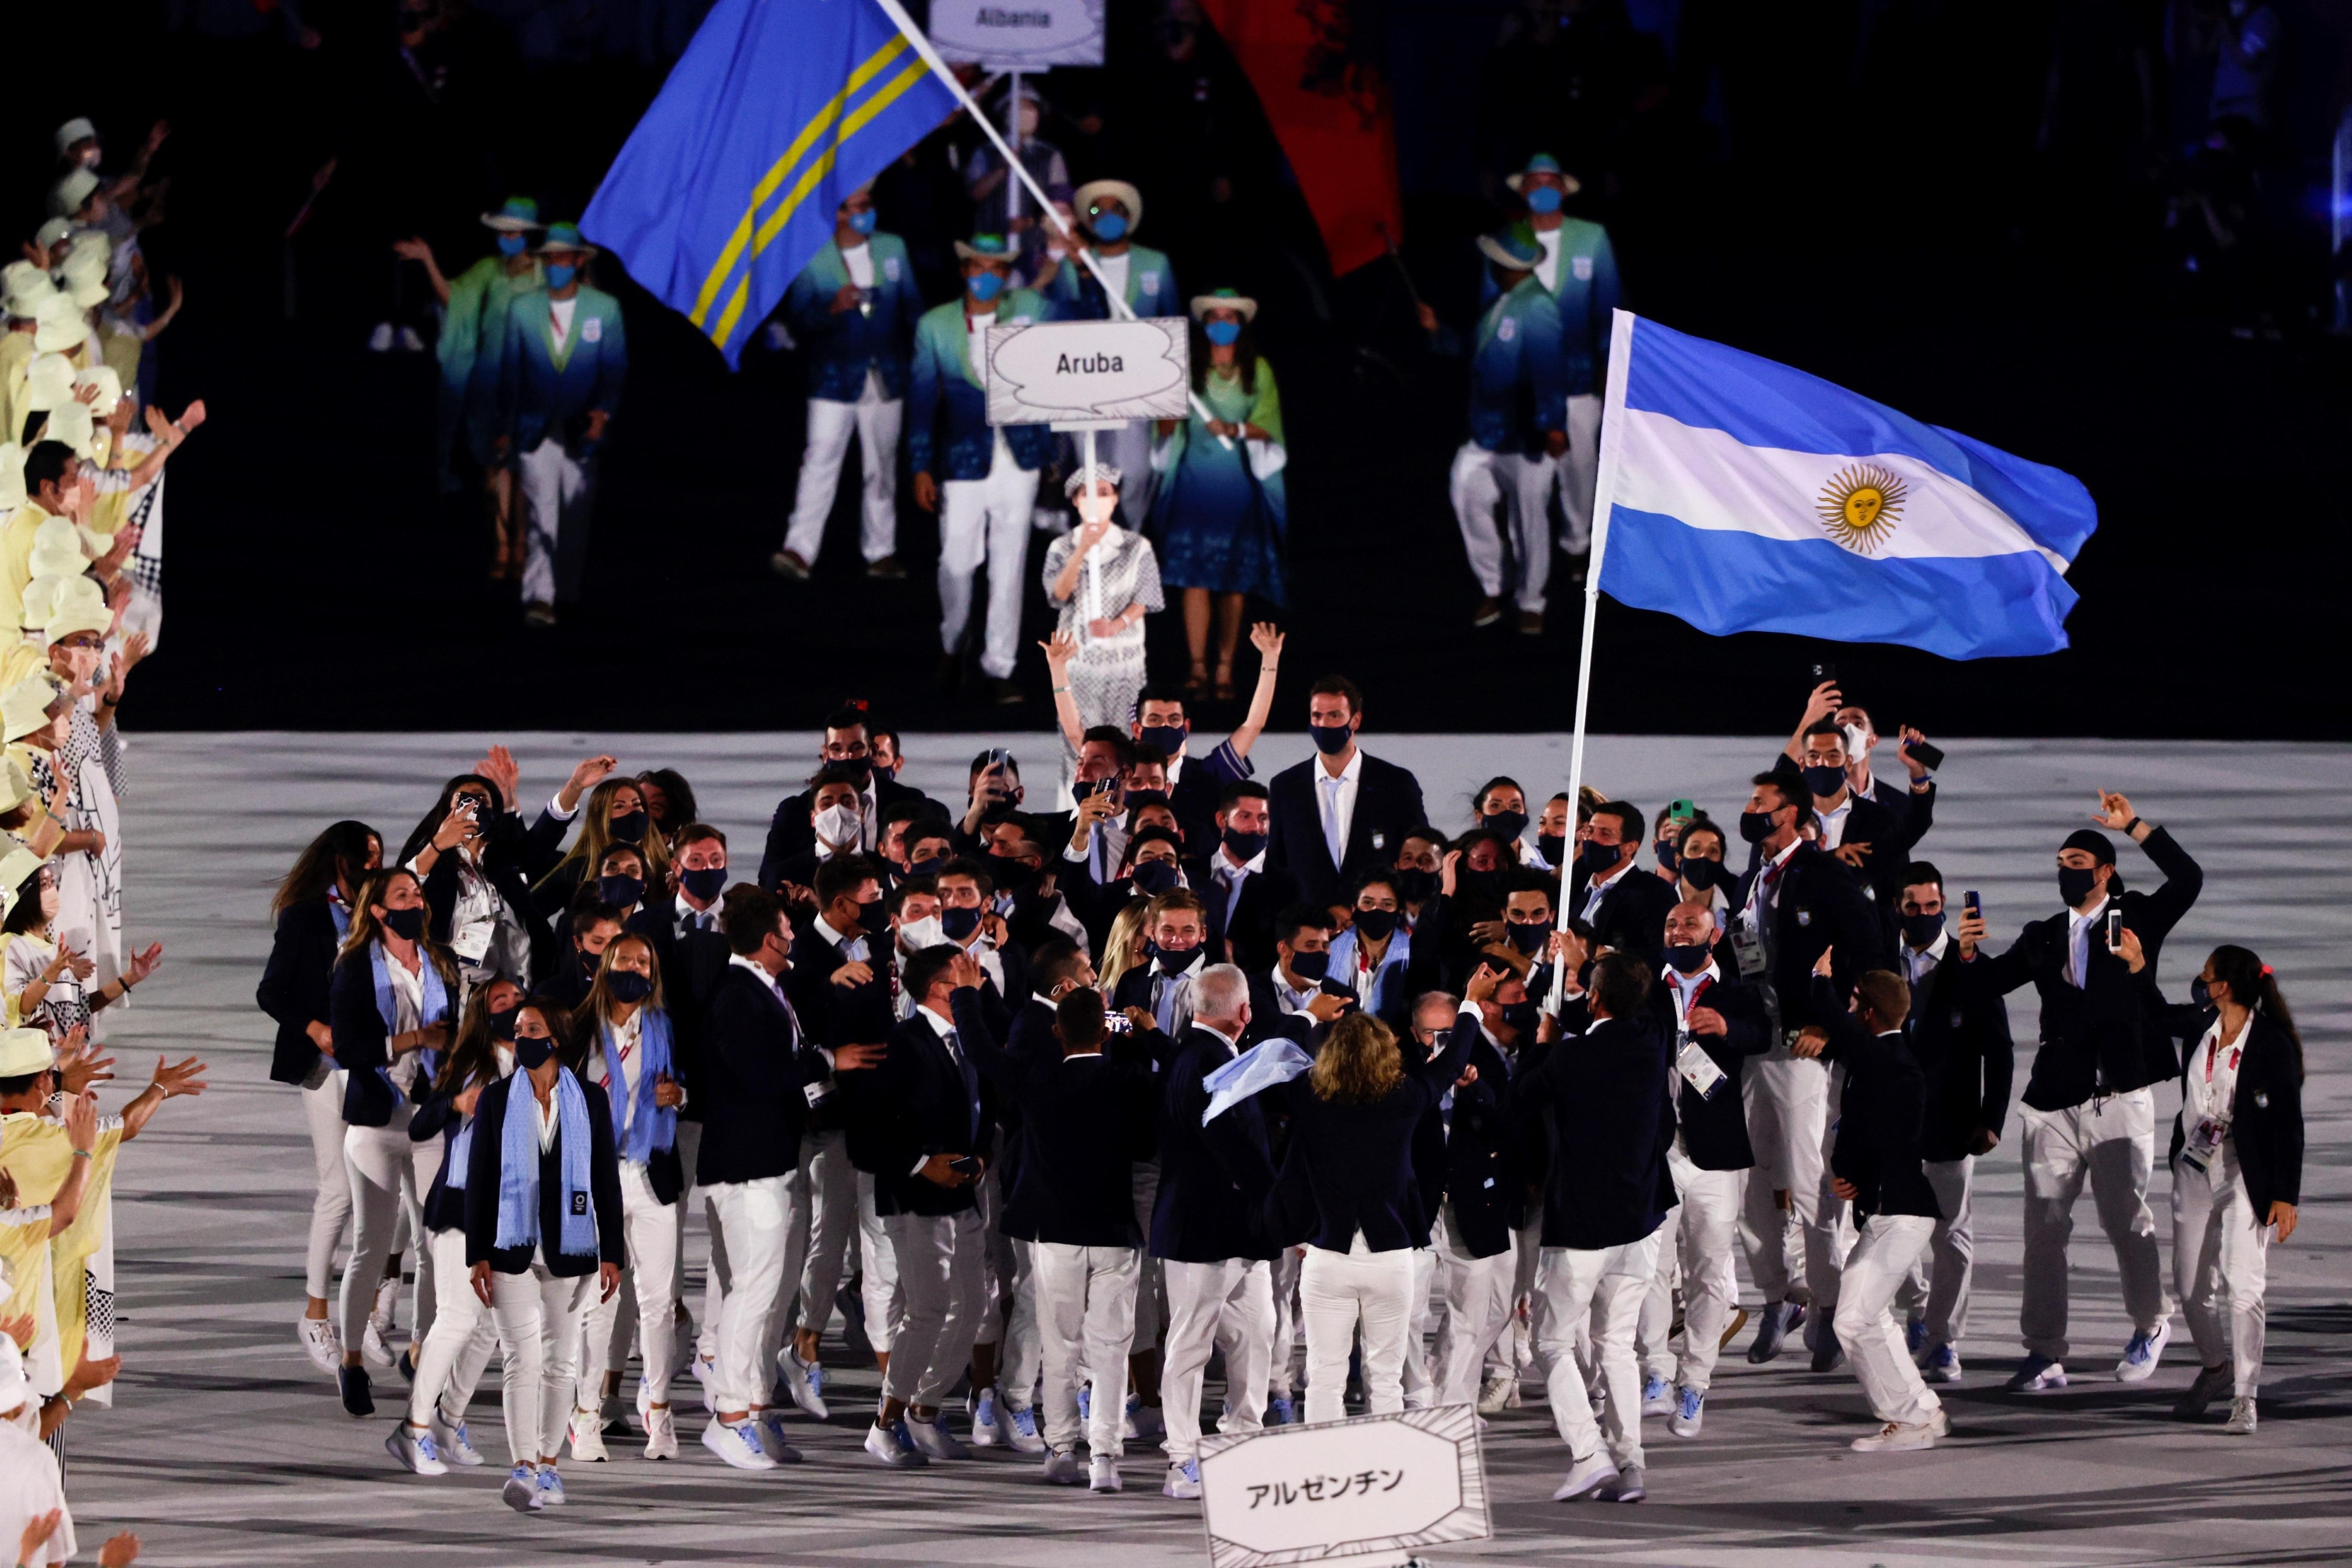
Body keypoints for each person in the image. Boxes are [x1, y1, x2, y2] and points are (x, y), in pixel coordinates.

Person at [1957, 791, 2201, 1392]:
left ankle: (2151, 1324)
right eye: (2061, 864)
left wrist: (2136, 826)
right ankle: (2044, 1352)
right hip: (2053, 1101)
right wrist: (1967, 952)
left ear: (2105, 873)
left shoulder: (2138, 916)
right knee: (2043, 1229)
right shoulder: (2042, 935)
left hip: (2118, 1094)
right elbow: (1988, 983)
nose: (2067, 873)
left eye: (2077, 864)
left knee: (2126, 1222)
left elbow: (2189, 878)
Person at [949, 958, 1160, 1489]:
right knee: (1110, 1349)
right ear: (1105, 1034)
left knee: (1060, 1346)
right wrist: (1137, 1031)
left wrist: (967, 996)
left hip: (1056, 1236)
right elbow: (1148, 1074)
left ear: (1056, 1031)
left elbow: (979, 1051)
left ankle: (1062, 1450)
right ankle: (1106, 1459)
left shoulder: (1038, 1076)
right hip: (1114, 1234)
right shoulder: (1130, 1080)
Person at [693, 886, 879, 1470]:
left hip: (770, 1162)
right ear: (769, 939)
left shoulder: (763, 989)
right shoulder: (736, 995)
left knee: (767, 1292)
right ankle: (728, 1417)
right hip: (747, 1168)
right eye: (786, 928)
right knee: (752, 1291)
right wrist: (827, 1061)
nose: (794, 935)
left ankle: (755, 1406)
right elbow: (759, 1076)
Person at [1268, 973, 1477, 1424]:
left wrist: (1308, 1014)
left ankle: (1327, 1483)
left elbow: (1275, 1052)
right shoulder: (1406, 1096)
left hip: (1328, 1257)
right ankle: (1385, 1480)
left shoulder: (1308, 1095)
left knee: (1325, 1376)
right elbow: (1453, 1059)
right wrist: (1471, 1006)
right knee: (1385, 1377)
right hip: (1391, 1259)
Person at [1730, 771, 1885, 1369]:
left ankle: (1826, 1305)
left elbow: (1868, 949)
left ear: (1792, 815)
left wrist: (1833, 1018)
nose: (1750, 811)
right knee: (1751, 1182)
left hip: (1801, 1050)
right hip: (1752, 1046)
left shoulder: (1823, 872)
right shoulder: (1754, 876)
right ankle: (1778, 1295)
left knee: (1809, 1184)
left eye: (1760, 803)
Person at [1509, 951, 1670, 1503]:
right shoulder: (1651, 1044)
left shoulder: (1571, 1058)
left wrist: (1544, 1041)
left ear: (1594, 998)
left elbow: (1521, 1096)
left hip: (1581, 1224)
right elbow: (1626, 1016)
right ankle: (1631, 1465)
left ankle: (1588, 1455)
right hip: (1640, 1220)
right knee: (1618, 1346)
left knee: (1553, 1342)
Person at [2134, 937, 2301, 1435]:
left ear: (2224, 986)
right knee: (2188, 1289)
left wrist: (2286, 1194)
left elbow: (2289, 1124)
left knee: (2243, 1286)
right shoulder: (2201, 1024)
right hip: (2193, 1171)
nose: (2201, 983)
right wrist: (2139, 969)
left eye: (2207, 977)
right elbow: (2154, 1015)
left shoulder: (2271, 1044)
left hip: (2244, 1175)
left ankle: (2244, 1396)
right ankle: (2214, 1367)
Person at [463, 996, 624, 1511]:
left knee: (561, 1364)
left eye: (532, 1028)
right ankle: (523, 1466)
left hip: (570, 1251)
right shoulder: (495, 1099)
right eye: (517, 1030)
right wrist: (476, 1253)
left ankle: (551, 1466)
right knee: (520, 1361)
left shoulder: (590, 1103)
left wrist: (611, 1253)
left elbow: (604, 1182)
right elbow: (480, 1183)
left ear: (555, 1038)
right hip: (509, 1251)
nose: (521, 1037)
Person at [846, 944, 998, 1468]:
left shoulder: (972, 1037)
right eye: (964, 969)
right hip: (913, 1200)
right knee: (928, 1310)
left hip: (964, 1198)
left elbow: (986, 1107)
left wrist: (980, 1158)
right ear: (938, 987)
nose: (977, 971)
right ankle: (885, 1421)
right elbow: (864, 1137)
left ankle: (925, 1410)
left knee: (975, 1308)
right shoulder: (902, 1044)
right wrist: (920, 1163)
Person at [1797, 970, 1947, 1452]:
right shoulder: (1882, 1060)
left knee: (1852, 1320)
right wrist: (1853, 1178)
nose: (1846, 1011)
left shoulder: (1889, 1060)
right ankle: (1923, 1408)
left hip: (1900, 1215)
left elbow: (1842, 1037)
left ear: (1868, 1013)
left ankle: (1907, 1420)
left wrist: (1821, 980)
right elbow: (1868, 1133)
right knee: (1872, 1314)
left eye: (1853, 1003)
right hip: (1887, 1212)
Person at [328, 867, 458, 1418]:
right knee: (372, 1246)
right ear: (378, 911)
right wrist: (412, 1040)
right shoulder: (355, 965)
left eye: (418, 894)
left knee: (436, 1246)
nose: (416, 902)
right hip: (377, 1123)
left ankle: (422, 1351)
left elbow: (455, 1030)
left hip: (429, 1119)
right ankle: (352, 1358)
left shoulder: (440, 962)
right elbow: (347, 1047)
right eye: (402, 896)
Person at [1150, 963, 1282, 1500]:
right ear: (1244, 1012)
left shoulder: (1205, 1057)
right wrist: (1281, 1202)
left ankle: (1242, 1439)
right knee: (1190, 1344)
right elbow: (1232, 1150)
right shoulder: (1201, 1061)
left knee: (1257, 1331)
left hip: (1236, 1233)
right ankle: (1183, 1459)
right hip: (1202, 1232)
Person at [254, 819, 381, 1373]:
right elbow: (271, 990)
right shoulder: (305, 916)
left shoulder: (380, 913)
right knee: (338, 1189)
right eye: (367, 858)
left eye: (381, 857)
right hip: (326, 1067)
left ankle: (371, 1314)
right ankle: (314, 1314)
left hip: (375, 1063)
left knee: (385, 1190)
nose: (376, 867)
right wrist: (314, 1028)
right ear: (342, 862)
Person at [908, 233, 1054, 705]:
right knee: (955, 562)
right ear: (965, 271)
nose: (988, 276)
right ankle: (954, 643)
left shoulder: (1028, 310)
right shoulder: (937, 324)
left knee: (1009, 565)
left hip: (1020, 457)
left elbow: (1062, 360)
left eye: (997, 268)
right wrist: (920, 466)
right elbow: (923, 400)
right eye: (979, 267)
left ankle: (999, 666)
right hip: (963, 459)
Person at [384, 978, 519, 1478]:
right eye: (499, 1002)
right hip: (460, 1207)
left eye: (516, 1000)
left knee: (489, 1326)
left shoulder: (535, 1069)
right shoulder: (469, 1066)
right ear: (483, 1016)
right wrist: (457, 1105)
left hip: (509, 1214)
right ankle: (413, 1430)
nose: (511, 1007)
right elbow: (420, 1129)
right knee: (457, 1320)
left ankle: (448, 1419)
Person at [1644, 901, 1769, 1435]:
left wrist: (1726, 1027)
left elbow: (1762, 1034)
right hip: (1657, 1149)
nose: (1679, 932)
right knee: (1650, 1265)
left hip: (1715, 1154)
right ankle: (1654, 1371)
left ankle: (1695, 1384)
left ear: (1714, 935)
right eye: (1671, 924)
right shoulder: (1646, 988)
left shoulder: (1738, 990)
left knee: (1709, 1271)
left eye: (1689, 925)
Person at [1890, 863, 2013, 1385]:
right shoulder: (1878, 964)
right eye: (1912, 906)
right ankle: (1918, 1307)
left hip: (1950, 1121)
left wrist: (1992, 1119)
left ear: (1947, 909)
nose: (1921, 915)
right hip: (1891, 1121)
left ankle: (1944, 1341)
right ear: (1899, 907)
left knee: (1952, 1238)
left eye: (1931, 907)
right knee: (1879, 1228)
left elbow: (2000, 1049)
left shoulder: (1971, 970)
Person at [569, 933, 688, 1461]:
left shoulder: (663, 1026)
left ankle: (658, 1407)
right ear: (604, 964)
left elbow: (682, 1085)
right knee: (600, 1302)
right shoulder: (577, 1028)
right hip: (597, 1180)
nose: (634, 968)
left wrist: (679, 1096)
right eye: (625, 959)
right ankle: (585, 1413)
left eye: (644, 960)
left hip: (651, 1174)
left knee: (660, 1303)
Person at [774, 185, 924, 583]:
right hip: (834, 376)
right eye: (858, 207)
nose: (866, 214)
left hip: (886, 375)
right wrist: (832, 308)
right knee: (820, 457)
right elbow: (800, 320)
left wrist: (922, 363)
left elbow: (913, 309)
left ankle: (881, 551)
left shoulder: (892, 248)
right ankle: (800, 549)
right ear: (839, 214)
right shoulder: (815, 256)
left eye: (869, 205)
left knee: (882, 465)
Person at [1426, 223, 1565, 634]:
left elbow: (1548, 369)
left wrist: (1553, 425)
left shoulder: (1537, 306)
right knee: (1467, 492)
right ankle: (1495, 584)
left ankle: (1532, 602)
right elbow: (1474, 352)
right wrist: (1438, 333)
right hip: (1485, 434)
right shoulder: (1499, 303)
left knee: (1529, 521)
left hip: (1526, 439)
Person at [1150, 289, 1286, 696]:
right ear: (1204, 323)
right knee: (1195, 578)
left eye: (1231, 317)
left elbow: (1270, 424)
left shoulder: (1257, 369)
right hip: (1194, 487)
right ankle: (1198, 669)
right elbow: (1163, 431)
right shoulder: (1186, 369)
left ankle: (1225, 668)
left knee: (1233, 583)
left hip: (1237, 489)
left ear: (1240, 325)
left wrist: (1236, 430)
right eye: (1215, 317)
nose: (1222, 324)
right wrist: (1169, 417)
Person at [389, 196, 543, 543]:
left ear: (527, 233)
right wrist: (428, 261)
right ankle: (499, 544)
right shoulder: (489, 269)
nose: (506, 237)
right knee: (493, 463)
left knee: (524, 469)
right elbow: (454, 299)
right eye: (501, 231)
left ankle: (521, 544)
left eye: (513, 231)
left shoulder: (546, 273)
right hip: (490, 380)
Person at [495, 223, 626, 629]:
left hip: (582, 429)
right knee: (542, 512)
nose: (556, 265)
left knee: (575, 513)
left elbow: (614, 370)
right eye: (549, 258)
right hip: (536, 426)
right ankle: (539, 597)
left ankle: (565, 589)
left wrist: (603, 414)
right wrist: (505, 426)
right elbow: (511, 372)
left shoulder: (604, 309)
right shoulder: (523, 310)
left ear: (579, 261)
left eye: (563, 258)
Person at [1503, 153, 1618, 572]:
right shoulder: (1508, 239)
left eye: (1552, 181)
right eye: (1535, 182)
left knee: (1580, 468)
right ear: (1523, 191)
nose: (1544, 189)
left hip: (1579, 381)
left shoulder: (1591, 239)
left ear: (1565, 190)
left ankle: (1577, 543)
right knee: (1525, 476)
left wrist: (1609, 372)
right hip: (1524, 382)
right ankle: (1528, 561)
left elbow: (1610, 310)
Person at [1044, 180, 1181, 511]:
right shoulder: (1072, 265)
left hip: (1138, 384)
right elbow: (1057, 326)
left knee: (1135, 471)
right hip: (1086, 383)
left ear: (1129, 215)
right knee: (1090, 473)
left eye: (1115, 210)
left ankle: (1130, 534)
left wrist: (1172, 404)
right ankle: (1096, 548)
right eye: (1097, 210)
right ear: (1087, 221)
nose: (1106, 216)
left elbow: (1174, 328)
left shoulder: (1156, 263)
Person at [1040, 467, 1163, 785]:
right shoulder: (1062, 547)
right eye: (1087, 494)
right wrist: (1082, 550)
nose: (1096, 501)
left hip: (1125, 665)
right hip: (1080, 666)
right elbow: (1058, 595)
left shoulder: (1136, 546)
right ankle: (1077, 815)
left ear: (1116, 499)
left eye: (1105, 493)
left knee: (1127, 743)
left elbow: (1147, 597)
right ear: (1076, 501)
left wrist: (1117, 625)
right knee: (1080, 745)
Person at [1264, 675, 1428, 912]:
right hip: (1309, 931)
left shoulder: (1396, 783)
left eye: (1334, 716)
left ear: (1356, 720)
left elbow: (1418, 854)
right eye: (1317, 716)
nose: (1323, 725)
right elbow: (1277, 865)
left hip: (1378, 925)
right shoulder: (1286, 786)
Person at [1568, 799, 1676, 971]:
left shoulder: (1653, 892)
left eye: (1605, 834)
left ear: (1629, 848)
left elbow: (1662, 957)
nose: (1591, 839)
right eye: (1590, 831)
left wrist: (1603, 954)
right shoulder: (1575, 881)